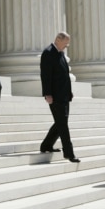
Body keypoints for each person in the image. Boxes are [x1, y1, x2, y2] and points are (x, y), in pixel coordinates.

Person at [39, 32, 80, 163]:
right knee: (62, 124)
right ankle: (69, 153)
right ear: (58, 39)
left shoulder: (61, 53)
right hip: (55, 96)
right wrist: (47, 93)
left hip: (64, 95)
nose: (67, 46)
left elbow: (65, 75)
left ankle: (46, 145)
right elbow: (45, 75)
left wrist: (69, 91)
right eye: (65, 43)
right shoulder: (48, 52)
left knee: (60, 123)